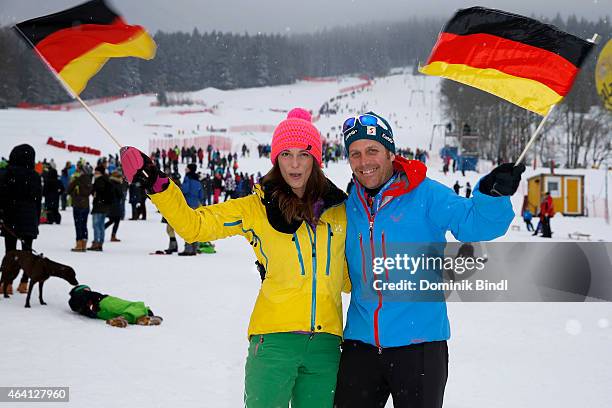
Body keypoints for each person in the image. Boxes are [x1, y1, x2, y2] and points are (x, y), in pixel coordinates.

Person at [121, 108, 350, 407]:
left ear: (316, 160)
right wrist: (159, 188)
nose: (294, 164)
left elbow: (348, 279)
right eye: (286, 154)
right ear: (275, 158)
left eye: (304, 154)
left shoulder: (340, 212)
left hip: (326, 348)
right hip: (273, 344)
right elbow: (195, 226)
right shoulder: (256, 209)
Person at [334, 112, 524, 408]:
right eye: (355, 154)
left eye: (372, 150)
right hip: (361, 347)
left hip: (419, 346)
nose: (363, 161)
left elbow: (476, 224)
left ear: (390, 153)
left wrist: (492, 194)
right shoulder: (348, 206)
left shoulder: (426, 194)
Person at [0, 144, 42, 294]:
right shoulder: (35, 176)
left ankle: (7, 283)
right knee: (27, 253)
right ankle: (24, 282)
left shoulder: (6, 173)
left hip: (10, 217)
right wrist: (36, 220)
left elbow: (2, 196)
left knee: (10, 252)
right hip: (29, 219)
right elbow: (38, 201)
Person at [68, 284, 162, 327]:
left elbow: (77, 307)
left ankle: (137, 319)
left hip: (102, 313)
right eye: (87, 289)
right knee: (136, 305)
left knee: (129, 310)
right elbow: (77, 304)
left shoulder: (83, 303)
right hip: (105, 302)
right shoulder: (89, 295)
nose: (89, 291)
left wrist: (90, 311)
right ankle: (143, 317)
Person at [178, 163, 203, 256]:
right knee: (195, 226)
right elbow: (201, 195)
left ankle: (188, 249)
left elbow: (185, 190)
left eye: (187, 168)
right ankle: (195, 247)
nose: (185, 169)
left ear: (189, 169)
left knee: (188, 226)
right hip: (196, 205)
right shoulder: (198, 180)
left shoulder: (187, 178)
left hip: (188, 204)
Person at [67, 165, 92, 252]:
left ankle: (79, 244)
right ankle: (84, 243)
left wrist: (74, 193)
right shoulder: (89, 180)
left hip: (77, 205)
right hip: (86, 205)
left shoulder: (77, 180)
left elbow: (68, 190)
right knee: (84, 225)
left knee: (78, 225)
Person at [89, 166, 112, 251]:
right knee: (101, 225)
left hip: (99, 205)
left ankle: (96, 243)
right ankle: (100, 242)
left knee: (96, 225)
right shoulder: (107, 179)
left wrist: (95, 193)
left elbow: (98, 191)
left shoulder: (99, 181)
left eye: (96, 172)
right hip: (105, 206)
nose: (95, 173)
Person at [104, 170, 124, 242]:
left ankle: (102, 229)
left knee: (112, 220)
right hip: (115, 205)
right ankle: (113, 235)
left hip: (110, 205)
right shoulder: (117, 184)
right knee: (116, 220)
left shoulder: (110, 183)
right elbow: (120, 195)